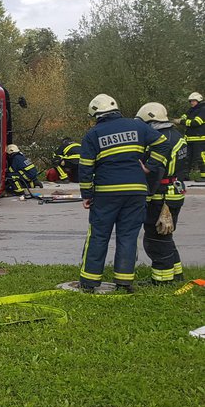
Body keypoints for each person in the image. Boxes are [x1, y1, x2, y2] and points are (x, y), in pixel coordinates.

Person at [78, 94, 170, 293]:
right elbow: (163, 143)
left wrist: (86, 193)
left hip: (106, 193)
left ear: (95, 114)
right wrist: (150, 166)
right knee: (128, 236)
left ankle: (89, 282)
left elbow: (85, 167)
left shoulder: (93, 134)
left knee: (99, 235)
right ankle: (124, 282)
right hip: (136, 191)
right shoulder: (138, 126)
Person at [136, 102, 189, 285]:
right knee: (166, 234)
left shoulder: (159, 139)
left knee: (155, 238)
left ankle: (162, 280)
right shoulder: (177, 135)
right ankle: (176, 273)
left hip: (161, 195)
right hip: (175, 192)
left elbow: (155, 171)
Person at [174, 92, 205, 181]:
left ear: (198, 101)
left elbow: (196, 122)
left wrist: (182, 122)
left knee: (200, 157)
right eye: (190, 101)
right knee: (186, 158)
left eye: (193, 101)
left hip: (200, 139)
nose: (191, 103)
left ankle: (204, 175)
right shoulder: (191, 110)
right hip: (189, 139)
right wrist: (178, 120)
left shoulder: (203, 110)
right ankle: (184, 175)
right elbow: (184, 117)